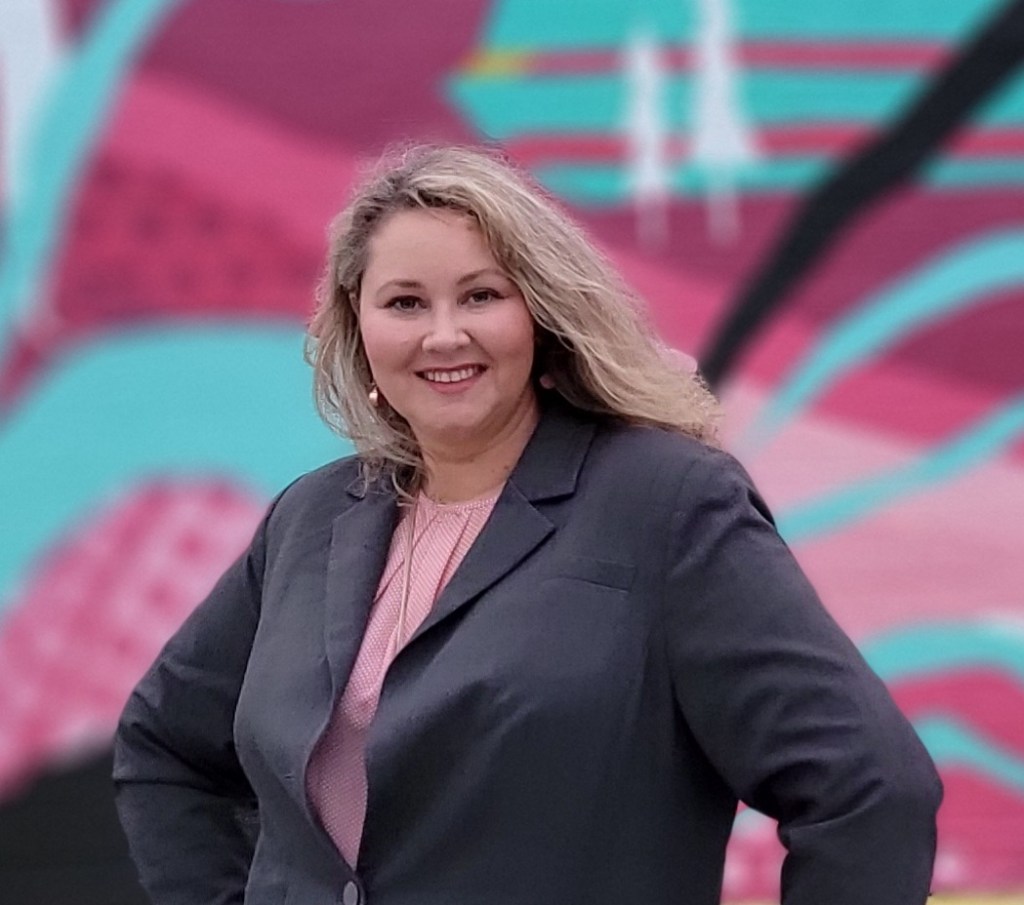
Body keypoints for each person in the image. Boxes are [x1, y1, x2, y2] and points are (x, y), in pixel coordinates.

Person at [113, 144, 942, 905]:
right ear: (359, 330)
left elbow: (870, 787)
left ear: (540, 312)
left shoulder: (667, 504)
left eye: (481, 294)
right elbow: (163, 747)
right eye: (405, 301)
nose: (444, 334)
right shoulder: (311, 517)